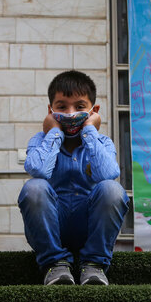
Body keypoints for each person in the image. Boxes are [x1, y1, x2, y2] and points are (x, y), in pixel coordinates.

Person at [18, 70, 129, 286]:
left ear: (93, 110)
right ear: (50, 111)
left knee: (112, 189)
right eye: (62, 107)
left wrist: (89, 131)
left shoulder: (102, 142)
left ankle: (94, 265)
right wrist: (55, 133)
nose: (70, 114)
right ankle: (54, 263)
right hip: (52, 229)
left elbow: (108, 175)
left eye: (79, 107)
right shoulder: (40, 141)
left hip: (89, 227)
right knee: (34, 188)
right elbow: (38, 171)